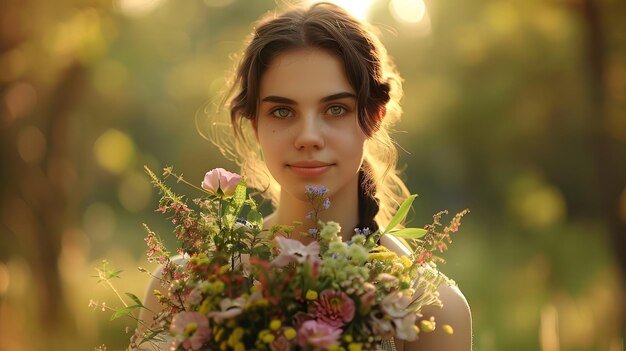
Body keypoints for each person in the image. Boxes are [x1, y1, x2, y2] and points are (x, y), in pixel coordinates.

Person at [138, 2, 472, 350]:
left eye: (335, 109)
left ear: (373, 117)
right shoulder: (183, 287)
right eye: (282, 111)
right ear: (255, 124)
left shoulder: (428, 306)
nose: (308, 136)